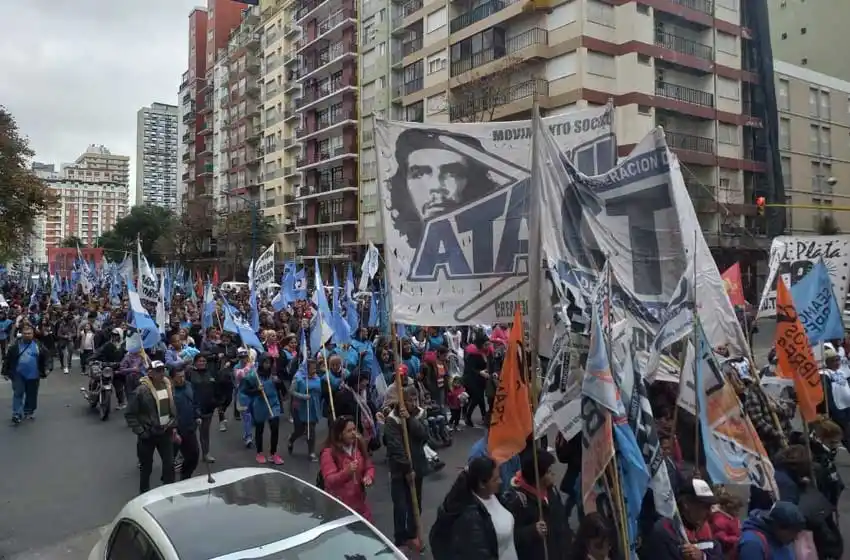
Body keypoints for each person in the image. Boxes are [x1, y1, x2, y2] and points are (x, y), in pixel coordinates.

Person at [430, 456, 516, 560]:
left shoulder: (492, 494)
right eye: (495, 479)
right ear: (482, 484)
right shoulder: (471, 519)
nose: (501, 481)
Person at [502, 449, 572, 560]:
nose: (553, 473)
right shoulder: (517, 501)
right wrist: (532, 531)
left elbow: (562, 521)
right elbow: (510, 538)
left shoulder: (552, 490)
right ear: (538, 476)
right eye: (548, 472)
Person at [384, 384, 429, 553]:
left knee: (415, 503)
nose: (412, 402)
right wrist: (406, 469)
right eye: (409, 400)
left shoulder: (420, 414)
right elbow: (395, 447)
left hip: (417, 467)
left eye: (414, 399)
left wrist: (410, 420)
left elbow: (424, 435)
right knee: (401, 505)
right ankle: (400, 538)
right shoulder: (392, 419)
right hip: (399, 470)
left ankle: (412, 534)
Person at [124, 360, 177, 494]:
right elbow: (130, 414)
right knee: (146, 467)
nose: (161, 374)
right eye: (158, 371)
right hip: (148, 435)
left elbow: (173, 408)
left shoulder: (168, 386)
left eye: (162, 371)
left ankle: (169, 491)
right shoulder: (141, 390)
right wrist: (141, 432)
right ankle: (144, 493)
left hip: (165, 431)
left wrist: (173, 423)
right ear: (150, 373)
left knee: (169, 464)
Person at [642, 477, 723, 560]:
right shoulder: (665, 531)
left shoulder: (706, 530)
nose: (710, 513)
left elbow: (718, 555)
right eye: (705, 507)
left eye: (710, 507)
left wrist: (703, 557)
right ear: (686, 504)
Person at [319, 415, 375, 520]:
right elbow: (329, 481)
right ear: (340, 435)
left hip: (360, 505)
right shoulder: (328, 453)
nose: (354, 434)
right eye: (349, 431)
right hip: (339, 508)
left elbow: (368, 465)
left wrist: (369, 476)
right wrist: (346, 472)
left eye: (354, 429)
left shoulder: (358, 446)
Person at [2, 325, 49, 424]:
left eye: (29, 333)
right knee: (18, 393)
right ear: (21, 334)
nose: (27, 335)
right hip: (18, 374)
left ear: (33, 334)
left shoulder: (38, 345)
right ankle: (16, 413)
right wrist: (5, 372)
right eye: (25, 333)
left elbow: (46, 357)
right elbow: (7, 359)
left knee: (31, 394)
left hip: (34, 374)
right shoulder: (15, 346)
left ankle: (28, 411)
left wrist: (47, 368)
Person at [244, 354, 284, 465]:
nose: (268, 365)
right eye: (265, 362)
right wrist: (257, 390)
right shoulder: (253, 375)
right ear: (261, 363)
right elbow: (246, 391)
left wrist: (279, 383)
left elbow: (283, 390)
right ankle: (259, 452)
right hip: (260, 404)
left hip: (273, 403)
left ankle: (273, 453)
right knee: (260, 429)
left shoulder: (274, 374)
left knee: (275, 427)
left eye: (269, 362)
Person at [738, 501, 806, 560]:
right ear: (779, 527)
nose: (796, 538)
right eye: (793, 532)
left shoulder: (782, 539)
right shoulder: (752, 544)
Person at [186, 353, 219, 463]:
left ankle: (206, 454)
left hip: (208, 408)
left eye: (204, 361)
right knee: (190, 434)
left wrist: (216, 402)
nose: (202, 363)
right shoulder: (190, 373)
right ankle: (185, 456)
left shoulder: (210, 373)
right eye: (199, 361)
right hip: (193, 409)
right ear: (195, 362)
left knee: (205, 433)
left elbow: (216, 389)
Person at [288, 358, 323, 461]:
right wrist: (303, 396)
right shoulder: (298, 378)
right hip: (300, 407)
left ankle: (311, 452)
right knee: (300, 430)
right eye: (311, 368)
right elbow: (291, 391)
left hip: (312, 407)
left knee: (311, 430)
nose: (314, 370)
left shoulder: (317, 378)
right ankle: (291, 439)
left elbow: (319, 391)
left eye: (315, 368)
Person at [171, 369, 200, 480]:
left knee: (194, 454)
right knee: (170, 458)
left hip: (189, 428)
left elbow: (195, 402)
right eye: (179, 377)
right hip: (175, 430)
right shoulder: (169, 391)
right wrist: (173, 429)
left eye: (183, 376)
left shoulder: (189, 386)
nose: (182, 379)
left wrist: (197, 415)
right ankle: (168, 480)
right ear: (172, 378)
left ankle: (185, 475)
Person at [463, 332, 491, 427]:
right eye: (486, 344)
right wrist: (480, 372)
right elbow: (470, 368)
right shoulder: (472, 354)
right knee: (476, 398)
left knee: (480, 399)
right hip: (472, 379)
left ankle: (484, 416)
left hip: (481, 380)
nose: (488, 346)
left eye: (488, 344)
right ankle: (468, 416)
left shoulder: (486, 352)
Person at [709, 486, 744, 559]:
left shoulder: (732, 517)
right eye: (736, 510)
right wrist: (738, 539)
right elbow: (722, 538)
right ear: (728, 508)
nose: (738, 513)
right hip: (725, 552)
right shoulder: (720, 521)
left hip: (732, 549)